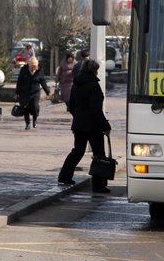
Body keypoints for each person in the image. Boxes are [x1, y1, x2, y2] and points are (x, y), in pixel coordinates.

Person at [57, 59, 112, 194]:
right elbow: (96, 110)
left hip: (79, 124)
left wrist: (78, 117)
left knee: (77, 151)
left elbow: (72, 106)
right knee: (99, 154)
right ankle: (98, 185)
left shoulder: (76, 84)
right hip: (93, 126)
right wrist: (105, 126)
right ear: (94, 70)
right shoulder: (94, 86)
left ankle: (65, 176)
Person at [15, 56, 50, 130]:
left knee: (34, 106)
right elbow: (19, 81)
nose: (33, 68)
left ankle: (35, 119)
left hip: (35, 92)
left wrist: (47, 91)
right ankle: (27, 124)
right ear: (29, 65)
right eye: (32, 67)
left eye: (35, 67)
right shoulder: (24, 70)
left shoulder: (39, 70)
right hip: (24, 92)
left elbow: (42, 81)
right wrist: (17, 92)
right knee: (25, 109)